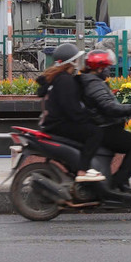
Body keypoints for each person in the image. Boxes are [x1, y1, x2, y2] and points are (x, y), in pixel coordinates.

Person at [77, 49, 131, 192]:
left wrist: (128, 109)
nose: (108, 70)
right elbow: (108, 107)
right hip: (105, 128)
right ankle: (118, 181)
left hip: (106, 125)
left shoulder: (94, 81)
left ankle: (121, 181)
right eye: (106, 67)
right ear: (99, 68)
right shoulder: (94, 83)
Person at [35, 43, 103, 182]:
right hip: (58, 124)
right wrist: (90, 117)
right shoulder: (65, 80)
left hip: (51, 123)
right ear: (71, 61)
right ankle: (83, 170)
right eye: (76, 59)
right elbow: (72, 108)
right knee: (95, 132)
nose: (78, 62)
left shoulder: (55, 78)